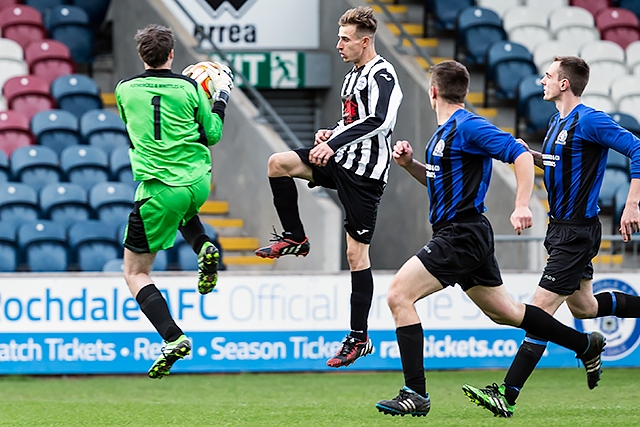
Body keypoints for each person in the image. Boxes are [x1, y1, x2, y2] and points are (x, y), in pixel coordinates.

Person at [374, 60, 606, 418]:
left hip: (461, 234)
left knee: (398, 295)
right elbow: (438, 182)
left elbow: (519, 155)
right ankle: (584, 344)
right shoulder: (443, 132)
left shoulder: (469, 126)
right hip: (462, 235)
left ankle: (415, 393)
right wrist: (409, 165)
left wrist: (521, 205)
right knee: (508, 313)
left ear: (432, 91)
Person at [462, 55, 640, 417]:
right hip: (560, 228)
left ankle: (507, 393)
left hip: (576, 232)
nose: (541, 81)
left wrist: (632, 204)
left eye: (548, 76)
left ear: (564, 84)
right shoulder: (556, 122)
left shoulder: (590, 119)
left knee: (539, 309)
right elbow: (562, 161)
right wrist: (531, 156)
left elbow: (637, 148)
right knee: (585, 307)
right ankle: (589, 344)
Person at [254, 6, 403, 368]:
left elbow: (379, 120)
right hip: (341, 161)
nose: (338, 44)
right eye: (339, 37)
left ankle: (359, 337)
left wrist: (332, 143)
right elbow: (352, 120)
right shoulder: (352, 76)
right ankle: (295, 236)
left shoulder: (383, 73)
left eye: (345, 39)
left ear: (365, 42)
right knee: (278, 163)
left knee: (356, 256)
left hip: (365, 175)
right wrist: (331, 133)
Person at [114, 24, 233, 379]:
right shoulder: (191, 87)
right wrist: (221, 98)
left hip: (158, 187)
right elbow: (212, 134)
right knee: (183, 211)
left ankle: (172, 337)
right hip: (197, 181)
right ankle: (204, 247)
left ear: (141, 55)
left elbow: (133, 126)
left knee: (135, 272)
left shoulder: (124, 89)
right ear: (171, 55)